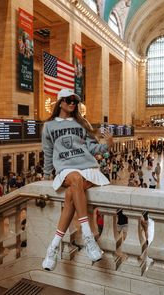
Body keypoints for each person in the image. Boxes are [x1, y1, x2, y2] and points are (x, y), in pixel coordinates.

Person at [41, 88, 113, 271]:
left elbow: (94, 149)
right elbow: (48, 152)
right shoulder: (49, 126)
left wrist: (108, 144)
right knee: (75, 179)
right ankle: (88, 238)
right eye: (69, 100)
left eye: (75, 100)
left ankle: (53, 246)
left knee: (71, 194)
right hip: (66, 169)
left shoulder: (82, 123)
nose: (72, 103)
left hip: (87, 167)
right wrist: (47, 174)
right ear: (60, 102)